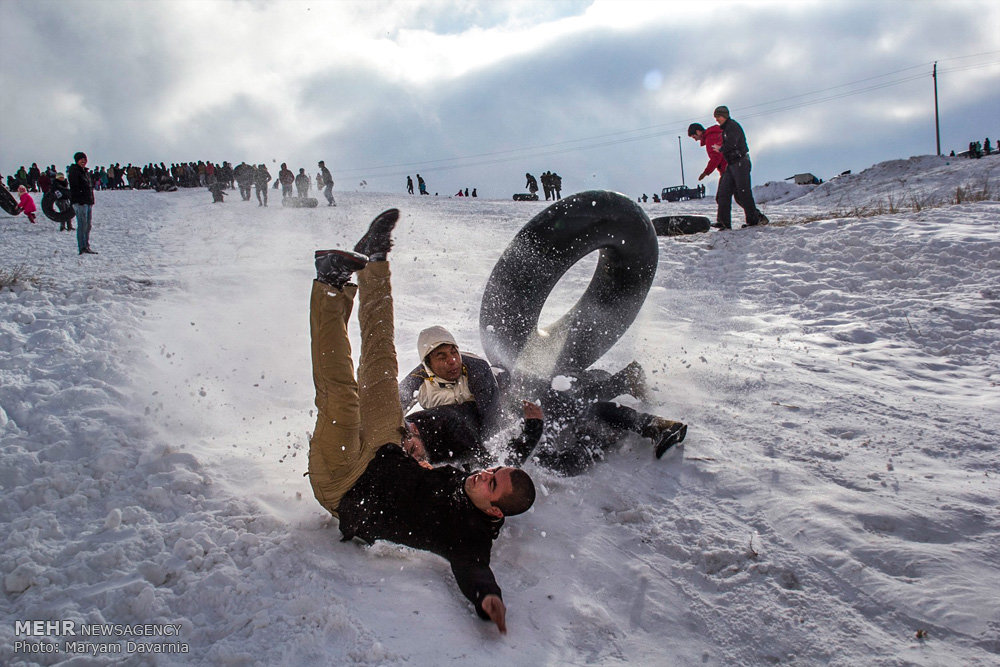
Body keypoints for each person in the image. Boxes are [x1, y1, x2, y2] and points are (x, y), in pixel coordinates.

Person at [307, 209, 536, 633]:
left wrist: (489, 598)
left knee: (339, 392)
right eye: (493, 471)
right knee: (380, 361)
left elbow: (474, 570)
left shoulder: (468, 533)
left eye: (492, 482)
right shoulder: (475, 480)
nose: (484, 473)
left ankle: (329, 285)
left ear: (494, 512)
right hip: (385, 448)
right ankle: (374, 262)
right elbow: (511, 456)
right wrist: (532, 430)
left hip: (342, 483)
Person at [399, 326, 505, 444]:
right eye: (442, 357)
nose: (452, 360)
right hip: (453, 421)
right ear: (428, 363)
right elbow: (390, 415)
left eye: (454, 352)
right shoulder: (416, 381)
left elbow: (491, 420)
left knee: (505, 380)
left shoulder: (477, 370)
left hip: (494, 391)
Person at [711, 106, 765, 229]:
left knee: (743, 192)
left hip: (741, 162)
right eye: (716, 117)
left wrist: (721, 149)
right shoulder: (725, 129)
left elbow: (732, 143)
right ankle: (723, 222)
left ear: (724, 116)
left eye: (718, 117)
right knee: (723, 193)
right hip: (731, 165)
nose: (717, 120)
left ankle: (753, 221)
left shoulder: (733, 126)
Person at [68, 151, 97, 254]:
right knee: (82, 224)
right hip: (80, 202)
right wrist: (79, 200)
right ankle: (82, 247)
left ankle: (86, 245)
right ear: (77, 161)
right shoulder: (74, 171)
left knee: (88, 225)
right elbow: (75, 187)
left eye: (85, 159)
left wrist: (91, 200)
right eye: (81, 159)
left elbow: (89, 187)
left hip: (87, 202)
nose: (84, 161)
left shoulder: (85, 172)